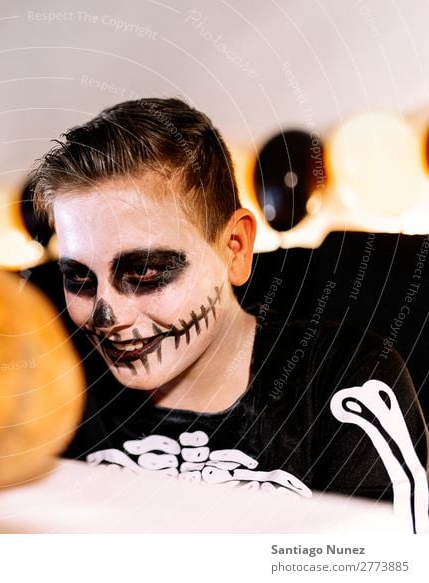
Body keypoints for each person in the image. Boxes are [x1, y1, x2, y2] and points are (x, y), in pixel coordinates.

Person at [28, 97, 429, 532]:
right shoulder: (56, 389)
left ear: (234, 248)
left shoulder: (345, 379)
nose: (109, 316)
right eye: (80, 279)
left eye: (144, 271)